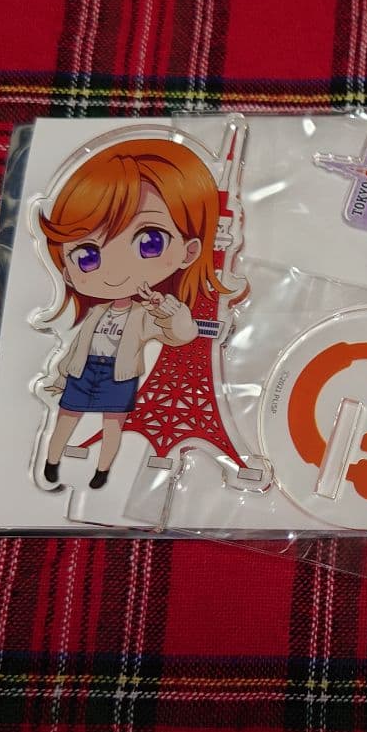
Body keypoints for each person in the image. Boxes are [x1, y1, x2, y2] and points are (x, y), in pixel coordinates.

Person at [38, 138, 228, 488]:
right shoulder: (95, 313)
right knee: (66, 416)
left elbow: (180, 336)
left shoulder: (145, 313)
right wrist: (62, 375)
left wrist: (172, 312)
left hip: (119, 374)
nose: (114, 270)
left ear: (189, 251)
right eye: (87, 255)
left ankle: (102, 471)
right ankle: (51, 462)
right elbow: (78, 346)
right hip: (84, 370)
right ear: (67, 270)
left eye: (149, 242)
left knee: (113, 424)